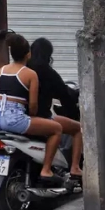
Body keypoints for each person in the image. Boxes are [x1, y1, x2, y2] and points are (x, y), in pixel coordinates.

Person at [0, 33, 63, 184]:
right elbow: (33, 105)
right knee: (57, 129)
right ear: (28, 54)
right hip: (14, 119)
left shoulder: (1, 70)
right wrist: (33, 116)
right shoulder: (30, 74)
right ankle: (46, 170)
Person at [28, 37, 83, 179]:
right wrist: (73, 112)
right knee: (78, 129)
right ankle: (75, 168)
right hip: (40, 117)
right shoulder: (48, 73)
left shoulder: (23, 69)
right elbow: (64, 95)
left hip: (21, 117)